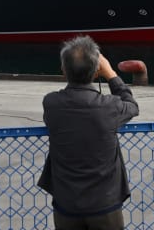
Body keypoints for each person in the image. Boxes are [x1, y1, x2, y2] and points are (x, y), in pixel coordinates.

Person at [38, 35, 139, 230]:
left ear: (63, 71)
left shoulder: (51, 103)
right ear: (95, 72)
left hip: (66, 205)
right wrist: (110, 74)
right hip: (105, 205)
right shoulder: (110, 106)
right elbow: (132, 106)